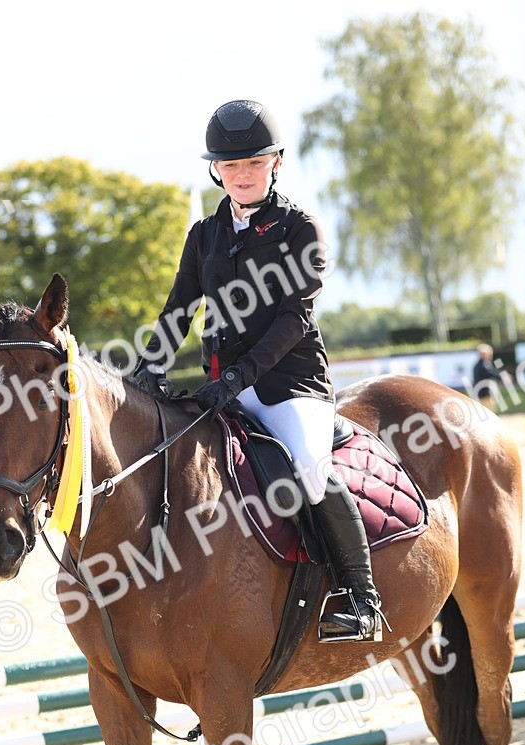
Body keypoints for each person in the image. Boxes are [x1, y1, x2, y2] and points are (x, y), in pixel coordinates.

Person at [134, 99, 384, 641]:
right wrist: (149, 366)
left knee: (311, 469)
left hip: (290, 387)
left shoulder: (300, 228)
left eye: (254, 163)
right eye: (231, 166)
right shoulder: (204, 235)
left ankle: (362, 598)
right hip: (223, 389)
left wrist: (239, 376)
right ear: (216, 171)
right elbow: (180, 308)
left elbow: (295, 318)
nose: (242, 175)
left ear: (276, 163)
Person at [471, 344, 510, 412]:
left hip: (480, 394)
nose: (490, 356)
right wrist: (503, 376)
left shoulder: (480, 364)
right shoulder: (483, 365)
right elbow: (490, 372)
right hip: (484, 395)